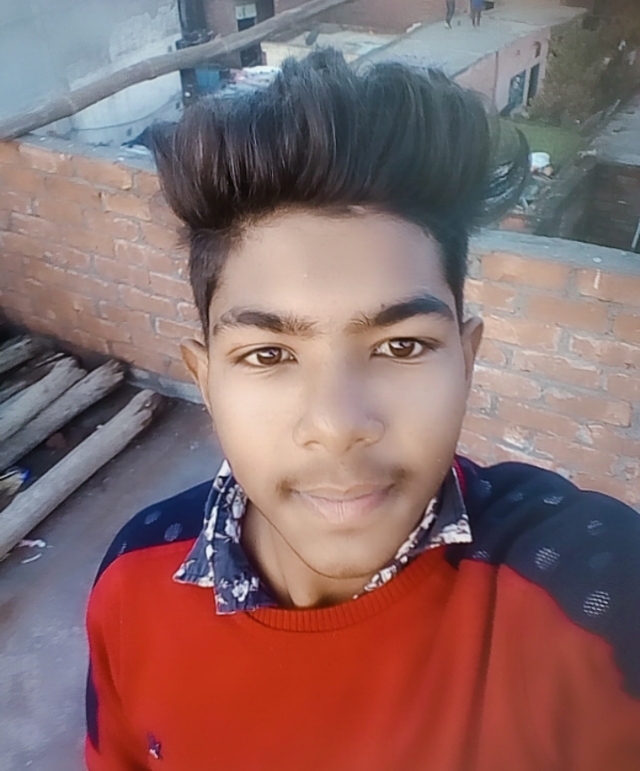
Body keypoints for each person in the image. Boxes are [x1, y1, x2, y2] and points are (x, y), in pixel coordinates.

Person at [85, 50, 640, 770]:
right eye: (268, 354)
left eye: (401, 345)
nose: (339, 423)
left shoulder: (592, 592)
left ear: (466, 359)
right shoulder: (134, 577)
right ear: (207, 379)